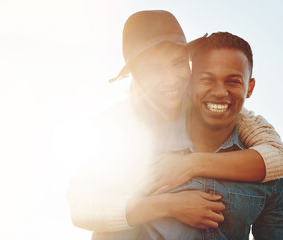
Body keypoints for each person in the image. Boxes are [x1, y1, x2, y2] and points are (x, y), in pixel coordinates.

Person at [67, 10, 283, 236]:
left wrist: (189, 164)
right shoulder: (116, 128)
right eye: (153, 70)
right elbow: (82, 208)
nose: (170, 79)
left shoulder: (218, 109)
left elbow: (277, 155)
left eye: (178, 63)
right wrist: (167, 206)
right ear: (136, 75)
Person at [141, 31, 283, 240]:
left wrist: (190, 164)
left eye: (233, 81)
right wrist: (166, 206)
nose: (219, 92)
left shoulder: (267, 174)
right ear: (189, 83)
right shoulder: (146, 145)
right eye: (207, 79)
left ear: (250, 88)